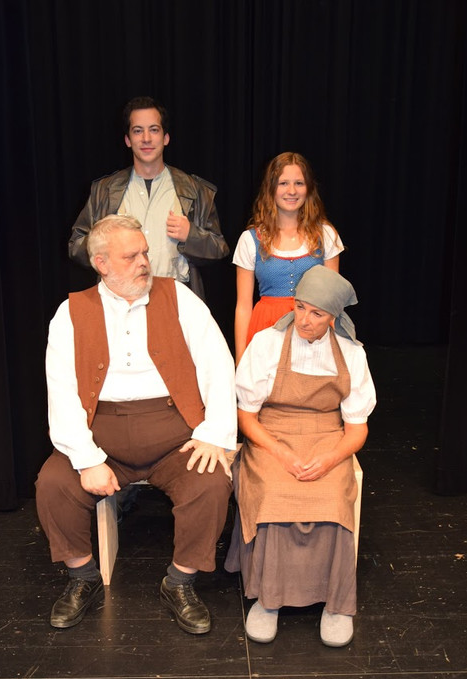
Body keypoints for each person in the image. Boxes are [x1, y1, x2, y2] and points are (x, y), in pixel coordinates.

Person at [36, 215, 237, 635]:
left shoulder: (180, 298)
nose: (144, 262)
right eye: (131, 256)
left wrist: (212, 433)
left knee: (211, 483)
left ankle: (179, 582)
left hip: (175, 434)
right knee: (53, 484)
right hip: (101, 437)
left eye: (145, 252)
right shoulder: (70, 313)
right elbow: (62, 391)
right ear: (101, 263)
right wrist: (87, 459)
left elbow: (218, 365)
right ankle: (82, 577)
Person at [225, 266, 376, 646]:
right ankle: (268, 599)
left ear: (333, 317)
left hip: (327, 436)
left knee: (332, 499)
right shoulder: (267, 343)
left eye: (317, 313)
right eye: (300, 307)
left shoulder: (351, 353)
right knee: (274, 494)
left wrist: (330, 459)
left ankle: (336, 604)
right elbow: (247, 417)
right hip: (271, 435)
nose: (305, 320)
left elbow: (357, 429)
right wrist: (279, 452)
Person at [69, 96, 228, 300]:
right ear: (128, 140)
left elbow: (219, 248)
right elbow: (76, 245)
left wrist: (191, 235)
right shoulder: (104, 191)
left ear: (166, 137)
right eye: (137, 131)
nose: (146, 138)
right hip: (120, 300)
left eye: (154, 130)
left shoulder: (195, 190)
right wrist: (105, 244)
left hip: (174, 298)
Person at [234, 152, 344, 363]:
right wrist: (240, 359)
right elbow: (243, 307)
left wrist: (335, 345)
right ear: (271, 188)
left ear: (308, 188)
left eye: (299, 183)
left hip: (313, 332)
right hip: (266, 331)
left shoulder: (326, 235)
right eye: (283, 183)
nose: (292, 191)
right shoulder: (250, 240)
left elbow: (333, 301)